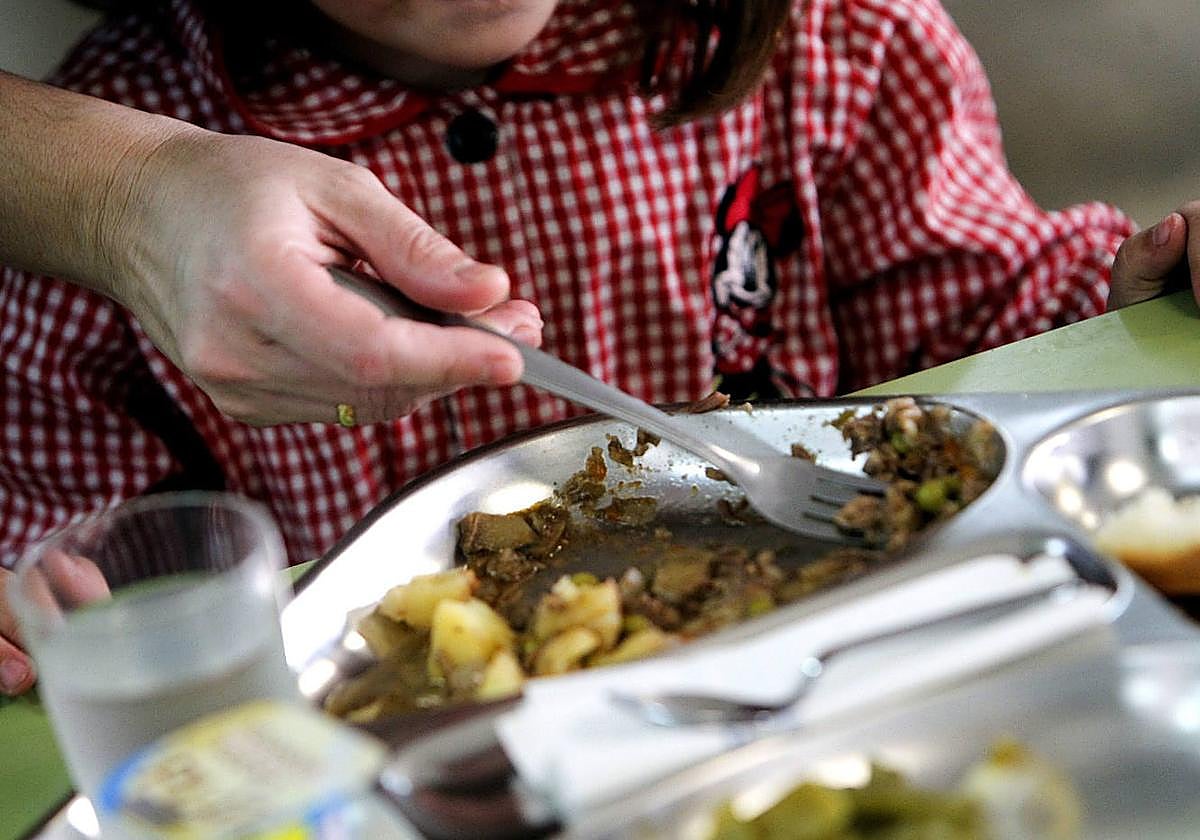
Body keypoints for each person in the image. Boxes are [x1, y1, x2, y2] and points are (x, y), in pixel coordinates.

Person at [0, 0, 1194, 696]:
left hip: (833, 662)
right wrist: (53, 603)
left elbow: (981, 334)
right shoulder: (101, 178)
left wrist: (1128, 296)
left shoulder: (846, 40)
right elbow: (94, 563)